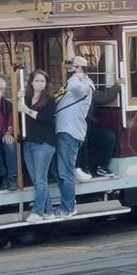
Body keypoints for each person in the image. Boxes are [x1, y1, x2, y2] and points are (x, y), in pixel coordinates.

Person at [53, 55, 94, 218]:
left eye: (72, 67)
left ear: (78, 68)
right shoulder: (77, 83)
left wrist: (77, 76)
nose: (68, 71)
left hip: (70, 133)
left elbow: (76, 89)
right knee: (57, 169)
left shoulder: (84, 84)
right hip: (64, 131)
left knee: (65, 172)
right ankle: (68, 202)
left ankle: (68, 207)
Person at [18, 69, 57, 222]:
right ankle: (48, 211)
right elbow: (18, 112)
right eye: (37, 80)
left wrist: (27, 110)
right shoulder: (27, 98)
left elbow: (45, 118)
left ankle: (37, 212)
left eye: (43, 81)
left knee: (41, 180)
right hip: (29, 143)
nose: (40, 83)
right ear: (31, 82)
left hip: (44, 144)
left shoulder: (49, 100)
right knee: (36, 180)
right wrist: (18, 99)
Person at [80, 76, 124, 178]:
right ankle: (83, 168)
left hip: (89, 125)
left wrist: (117, 86)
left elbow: (103, 98)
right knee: (83, 138)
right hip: (76, 127)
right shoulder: (70, 91)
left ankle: (101, 166)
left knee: (108, 137)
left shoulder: (88, 88)